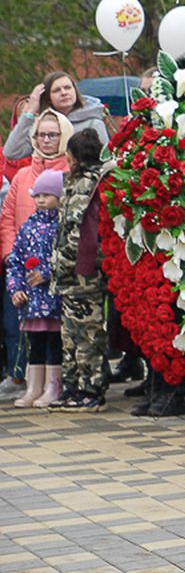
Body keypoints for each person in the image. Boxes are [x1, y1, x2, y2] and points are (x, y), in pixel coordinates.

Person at [1, 108, 72, 395]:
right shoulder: (21, 176)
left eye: (52, 134)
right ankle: (30, 385)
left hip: (57, 276)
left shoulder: (71, 172)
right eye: (41, 134)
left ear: (64, 135)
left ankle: (56, 386)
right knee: (28, 332)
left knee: (56, 336)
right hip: (24, 271)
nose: (46, 140)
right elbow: (7, 218)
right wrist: (10, 257)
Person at [48, 128, 108, 412]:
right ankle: (73, 386)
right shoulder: (73, 182)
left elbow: (84, 231)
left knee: (88, 334)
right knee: (70, 335)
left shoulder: (92, 184)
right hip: (68, 275)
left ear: (73, 155)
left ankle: (91, 389)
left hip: (84, 274)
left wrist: (70, 263)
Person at [7, 169, 65, 408]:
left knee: (54, 341)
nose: (41, 200)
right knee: (35, 341)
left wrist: (48, 274)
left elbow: (66, 258)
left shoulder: (62, 225)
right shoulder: (28, 227)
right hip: (32, 301)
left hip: (54, 299)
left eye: (47, 195)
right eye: (37, 195)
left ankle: (54, 386)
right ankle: (34, 387)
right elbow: (16, 261)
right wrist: (15, 288)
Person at [4, 72, 107, 160]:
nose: (64, 93)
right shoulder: (42, 127)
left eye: (67, 88)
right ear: (48, 97)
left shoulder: (93, 123)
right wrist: (30, 111)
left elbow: (105, 159)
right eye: (56, 90)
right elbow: (11, 153)